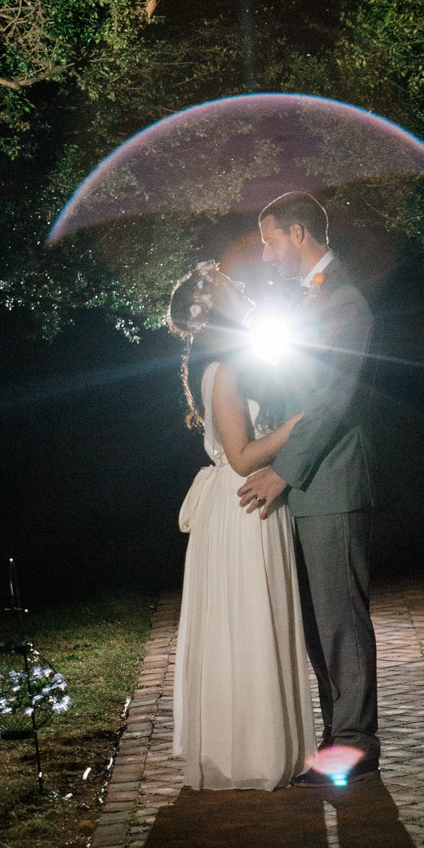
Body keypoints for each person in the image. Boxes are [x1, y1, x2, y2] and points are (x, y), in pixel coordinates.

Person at [237, 193, 378, 787]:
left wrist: (280, 470)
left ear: (297, 233)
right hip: (306, 483)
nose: (266, 254)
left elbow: (331, 400)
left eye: (269, 241)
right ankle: (331, 735)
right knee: (316, 624)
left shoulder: (345, 299)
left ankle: (353, 744)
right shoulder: (304, 298)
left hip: (331, 478)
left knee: (340, 619)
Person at [167, 260, 315, 790]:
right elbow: (243, 455)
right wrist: (303, 421)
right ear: (212, 313)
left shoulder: (241, 366)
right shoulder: (224, 373)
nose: (245, 293)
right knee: (247, 618)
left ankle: (269, 743)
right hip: (243, 505)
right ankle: (248, 752)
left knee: (263, 615)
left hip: (254, 508)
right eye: (234, 290)